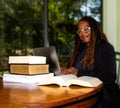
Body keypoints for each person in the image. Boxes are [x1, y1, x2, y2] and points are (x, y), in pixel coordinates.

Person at [61, 16, 120, 108]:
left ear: (94, 29)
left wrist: (79, 72)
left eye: (86, 29)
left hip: (101, 94)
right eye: (79, 31)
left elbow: (109, 77)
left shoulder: (105, 48)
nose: (82, 33)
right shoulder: (81, 49)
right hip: (80, 89)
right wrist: (67, 70)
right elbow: (75, 67)